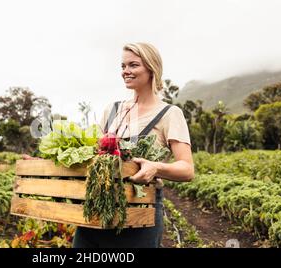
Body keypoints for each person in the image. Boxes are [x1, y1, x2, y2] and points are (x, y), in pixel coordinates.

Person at [72, 42, 194, 248]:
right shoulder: (112, 110)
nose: (125, 71)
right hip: (97, 208)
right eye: (123, 66)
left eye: (133, 65)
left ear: (151, 68)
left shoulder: (170, 114)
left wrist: (156, 167)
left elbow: (187, 169)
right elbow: (92, 153)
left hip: (140, 212)